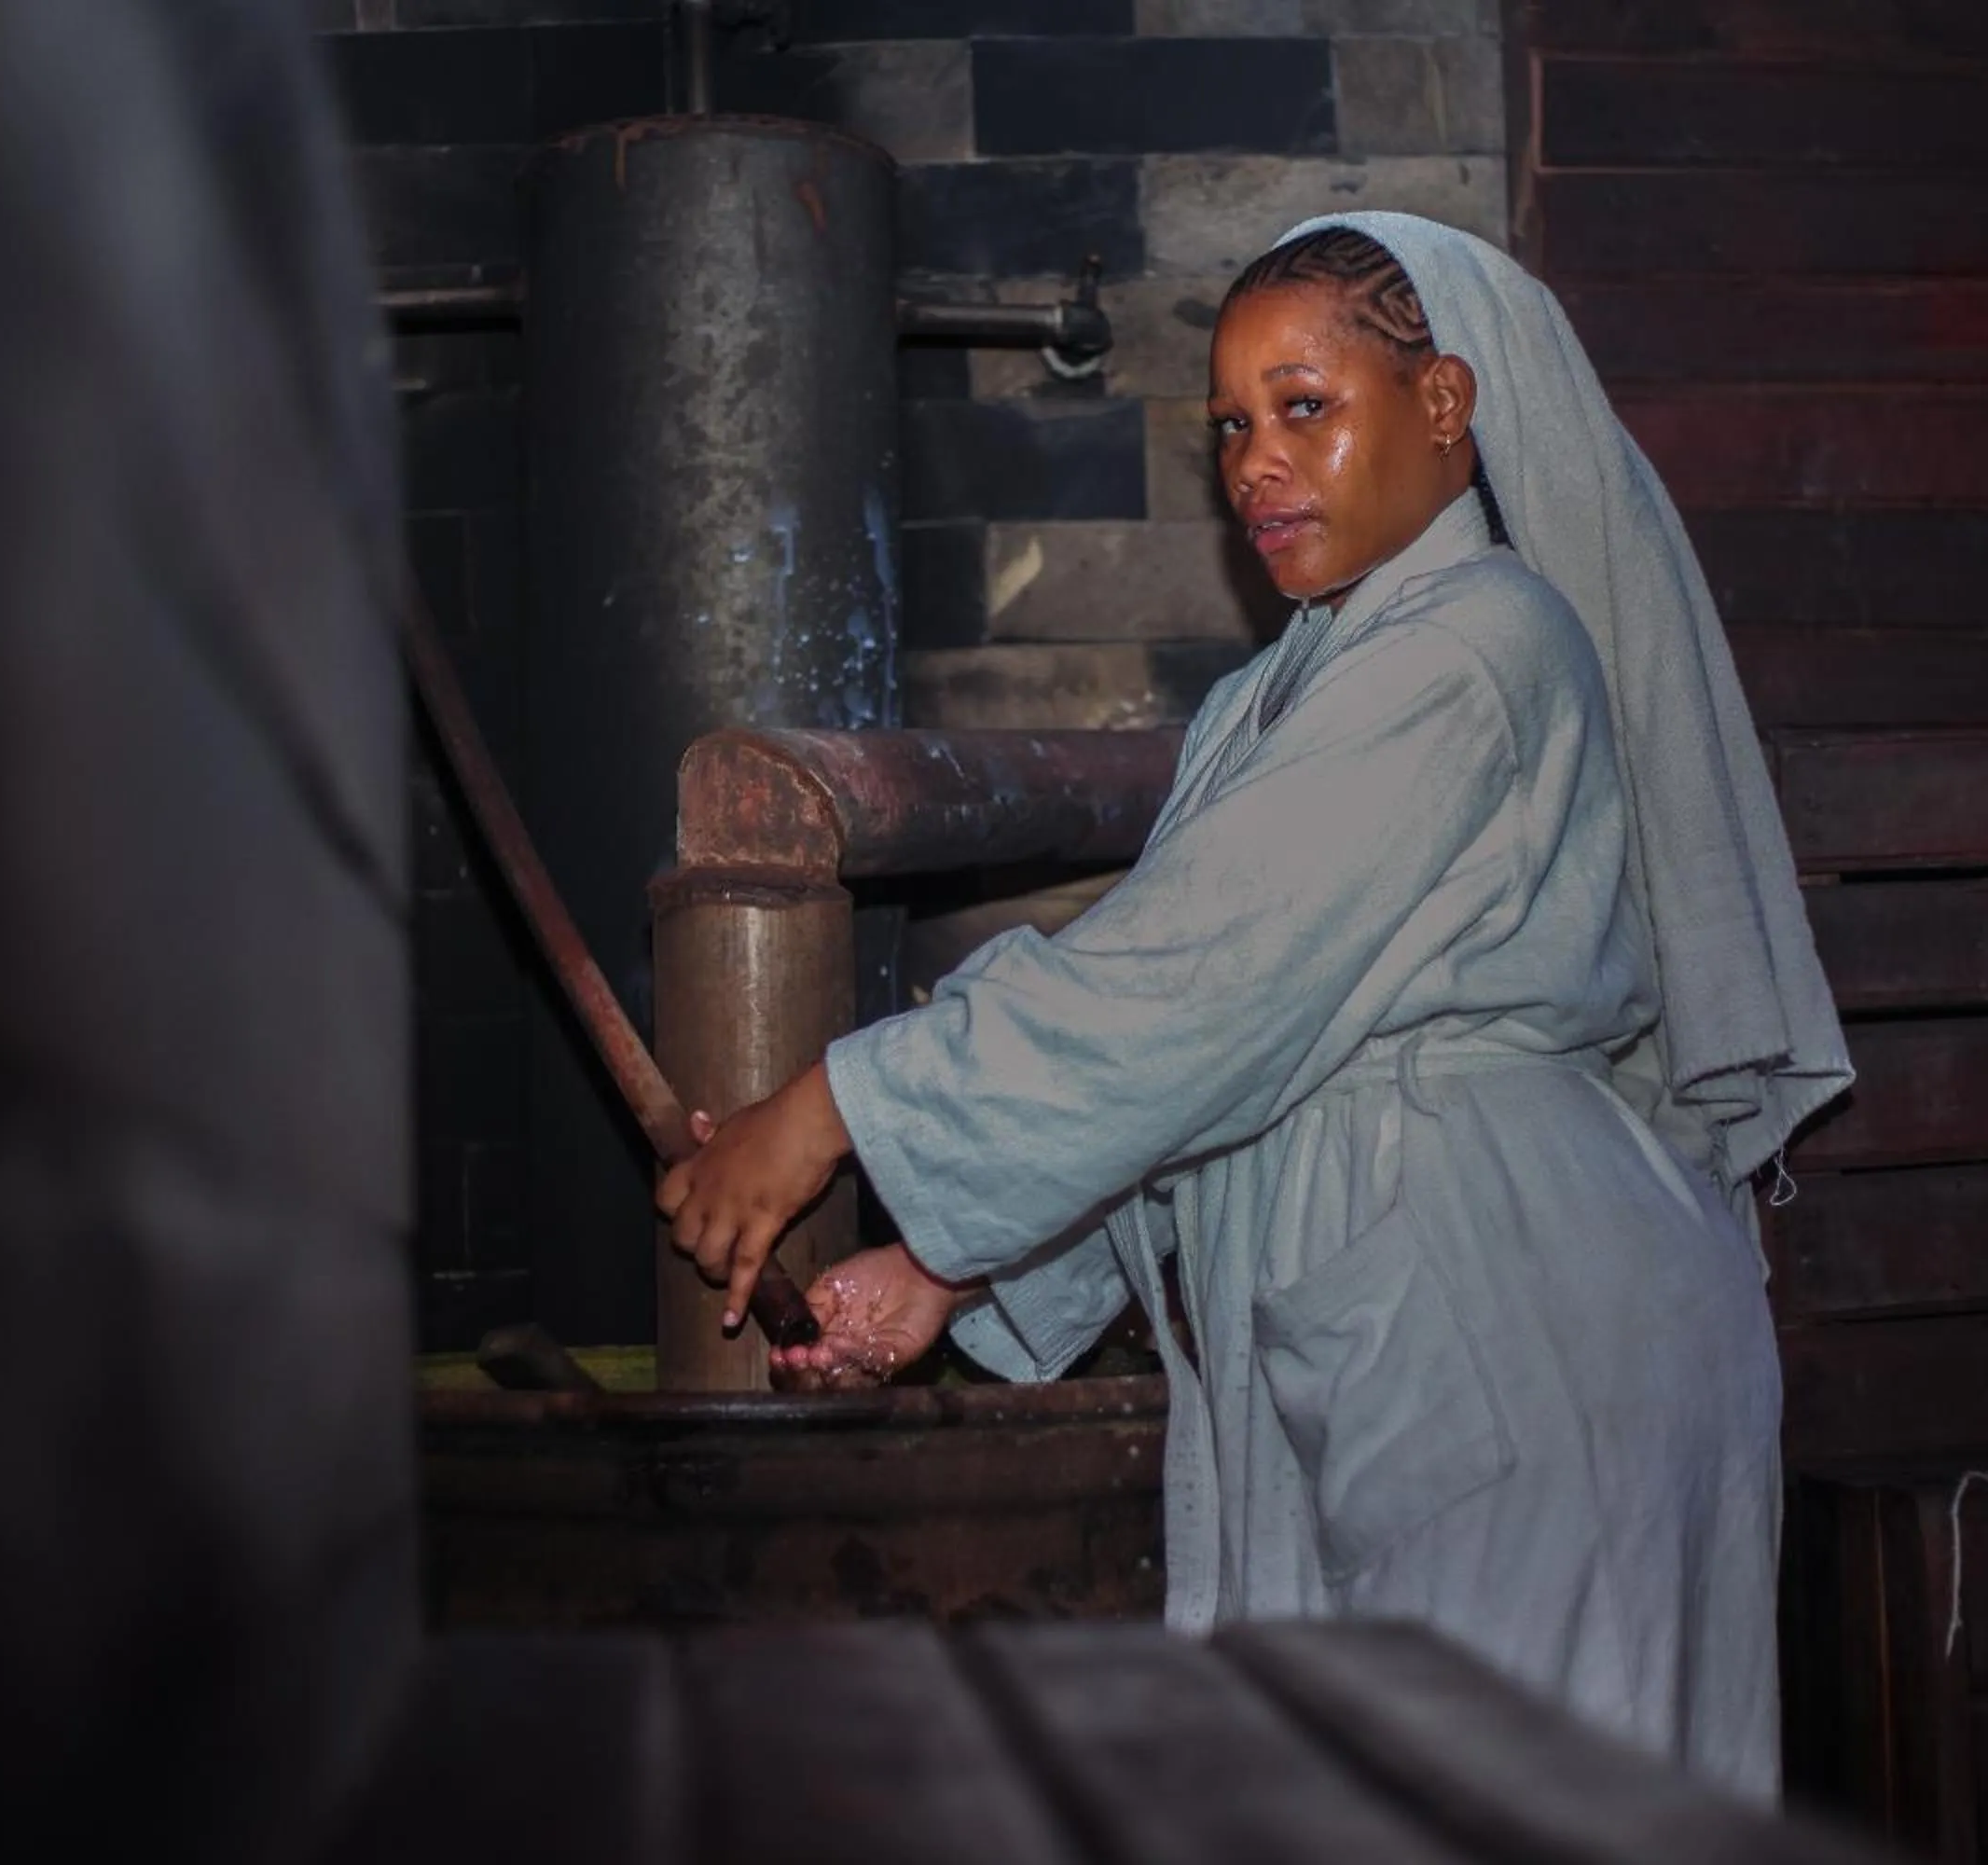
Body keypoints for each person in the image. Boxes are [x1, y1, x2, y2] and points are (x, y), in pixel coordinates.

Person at [656, 214, 1851, 1794]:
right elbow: (1217, 1054)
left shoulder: (1480, 644)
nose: (1256, 462)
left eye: (1305, 406)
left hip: (1521, 1331)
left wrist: (827, 1112)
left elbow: (1186, 983)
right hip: (1442, 1321)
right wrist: (944, 1269)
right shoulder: (1282, 692)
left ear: (1446, 404)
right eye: (1229, 424)